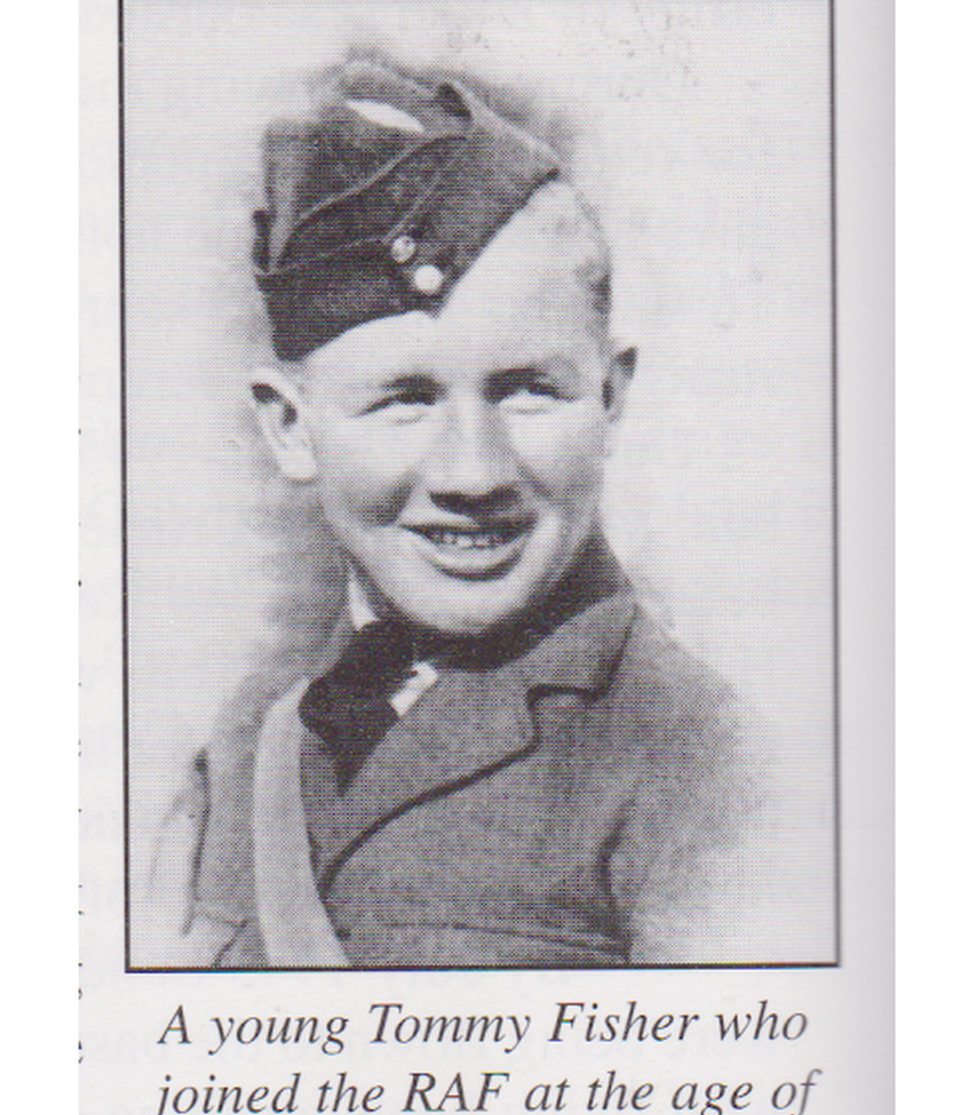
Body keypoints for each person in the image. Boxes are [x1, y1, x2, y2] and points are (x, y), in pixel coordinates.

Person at [137, 59, 768, 970]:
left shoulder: (713, 778)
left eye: (526, 391)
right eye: (405, 398)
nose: (474, 473)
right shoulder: (242, 755)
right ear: (289, 427)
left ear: (612, 398)